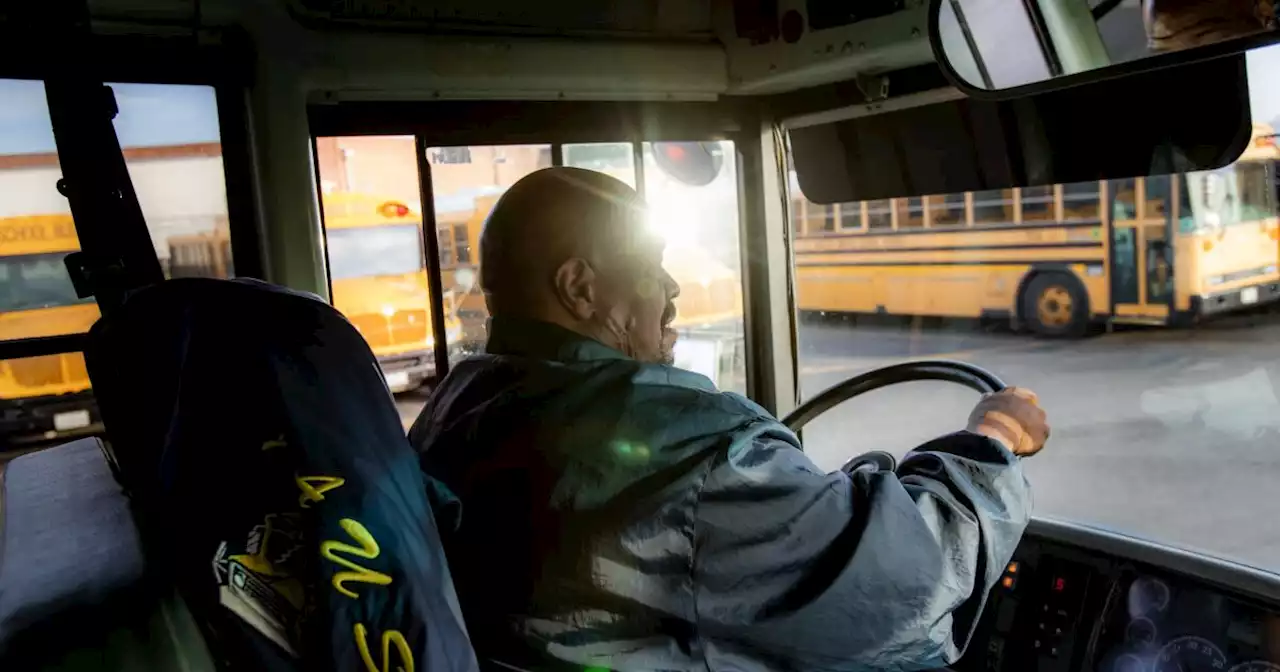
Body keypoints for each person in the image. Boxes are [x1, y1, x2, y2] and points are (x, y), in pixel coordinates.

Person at [410, 167, 1049, 671]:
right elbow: (908, 591)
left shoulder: (455, 409)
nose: (671, 288)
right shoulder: (695, 446)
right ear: (580, 288)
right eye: (648, 265)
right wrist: (993, 440)